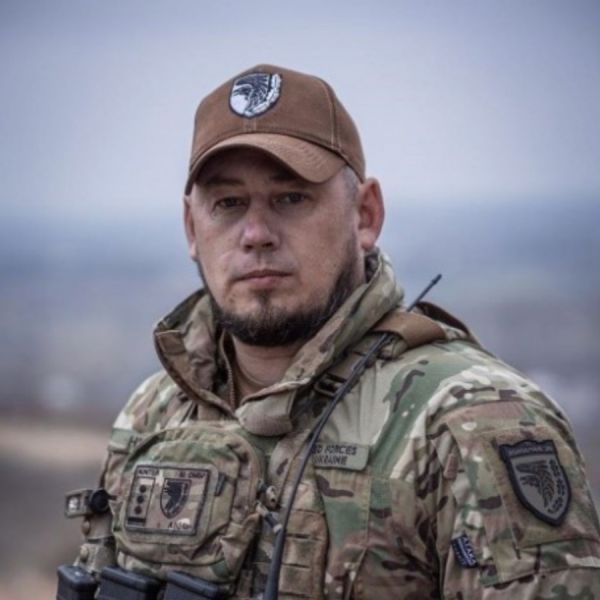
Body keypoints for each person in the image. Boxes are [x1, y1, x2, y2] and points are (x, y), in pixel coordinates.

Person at [60, 64, 600, 599]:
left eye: (291, 197)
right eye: (228, 204)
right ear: (191, 229)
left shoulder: (471, 421)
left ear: (365, 215)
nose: (256, 234)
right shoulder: (155, 413)